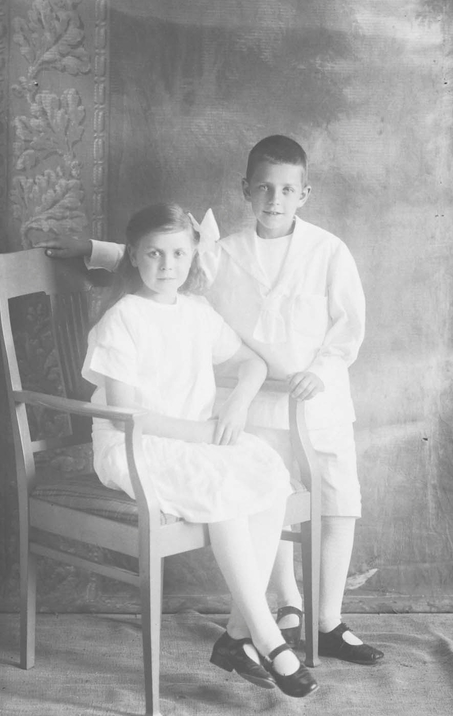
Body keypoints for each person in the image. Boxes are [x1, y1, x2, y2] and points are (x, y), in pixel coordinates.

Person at [41, 136, 383, 665]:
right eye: (264, 188)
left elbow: (349, 324)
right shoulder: (222, 252)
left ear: (304, 194)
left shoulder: (328, 250)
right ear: (246, 191)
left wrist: (322, 368)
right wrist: (92, 250)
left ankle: (327, 621)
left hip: (315, 396)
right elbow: (162, 256)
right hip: (248, 408)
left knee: (337, 502)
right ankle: (286, 606)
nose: (274, 199)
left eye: (287, 189)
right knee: (270, 490)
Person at [82, 202, 319, 698]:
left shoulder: (196, 312)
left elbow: (251, 363)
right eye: (154, 254)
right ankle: (266, 637)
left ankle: (237, 634)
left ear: (192, 257)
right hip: (135, 446)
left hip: (197, 439)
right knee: (224, 486)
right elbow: (128, 416)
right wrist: (203, 434)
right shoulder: (122, 318)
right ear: (134, 256)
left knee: (267, 471)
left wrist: (236, 406)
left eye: (177, 254)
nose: (167, 265)